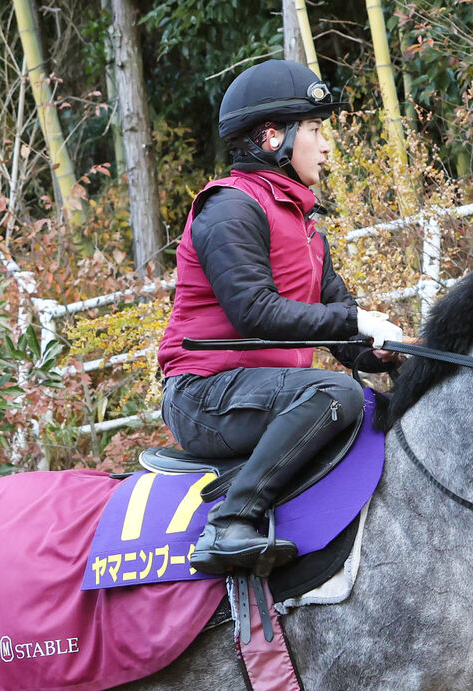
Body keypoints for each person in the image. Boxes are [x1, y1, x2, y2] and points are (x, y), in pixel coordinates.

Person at [156, 59, 404, 575]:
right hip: (204, 396)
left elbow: (339, 324)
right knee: (337, 394)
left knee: (368, 400)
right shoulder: (229, 208)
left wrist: (382, 350)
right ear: (273, 138)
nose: (327, 145)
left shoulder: (308, 229)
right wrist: (354, 322)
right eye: (315, 130)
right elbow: (254, 312)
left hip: (268, 393)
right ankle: (229, 523)